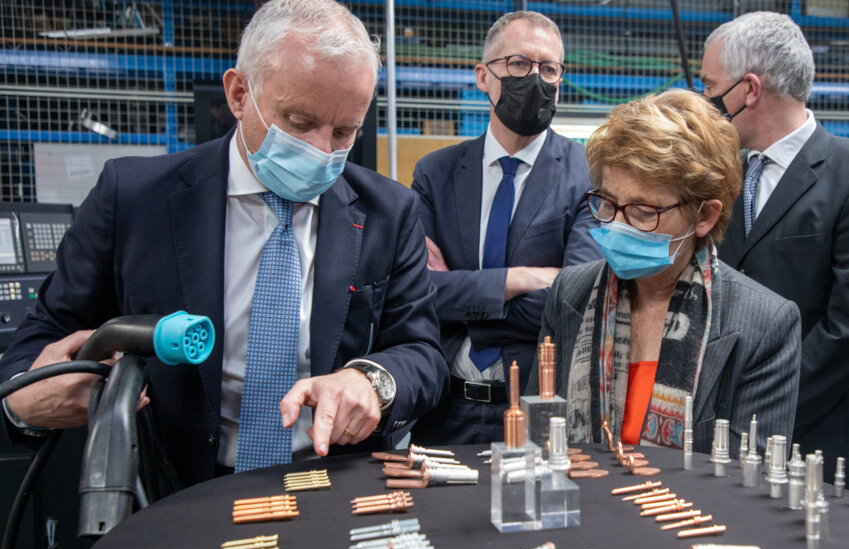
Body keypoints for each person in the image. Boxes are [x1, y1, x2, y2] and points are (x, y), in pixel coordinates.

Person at [0, 0, 448, 488]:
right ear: (239, 94)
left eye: (344, 131)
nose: (323, 151)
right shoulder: (133, 199)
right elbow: (42, 340)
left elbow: (420, 351)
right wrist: (25, 401)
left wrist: (371, 379)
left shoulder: (388, 211)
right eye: (299, 122)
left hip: (330, 485)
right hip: (175, 489)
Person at [527, 89, 800, 456]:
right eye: (608, 203)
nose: (618, 225)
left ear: (705, 216)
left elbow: (752, 481)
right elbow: (537, 438)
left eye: (643, 211)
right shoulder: (571, 293)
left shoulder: (763, 325)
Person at [410, 11, 600, 445]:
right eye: (518, 64)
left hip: (538, 406)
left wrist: (462, 291)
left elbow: (573, 302)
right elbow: (417, 294)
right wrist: (523, 279)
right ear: (483, 75)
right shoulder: (435, 174)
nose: (534, 78)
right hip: (445, 409)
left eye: (548, 69)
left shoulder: (587, 175)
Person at [701, 12, 849, 476]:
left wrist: (764, 402)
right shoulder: (725, 175)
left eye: (709, 86)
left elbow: (843, 330)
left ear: (749, 89)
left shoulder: (842, 173)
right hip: (717, 433)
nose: (704, 100)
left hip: (809, 437)